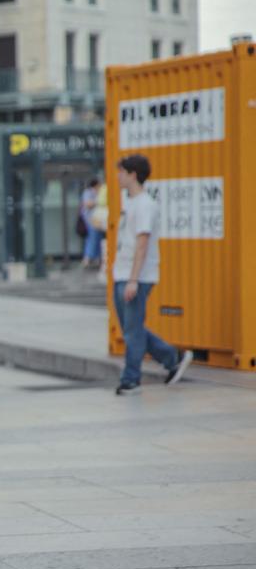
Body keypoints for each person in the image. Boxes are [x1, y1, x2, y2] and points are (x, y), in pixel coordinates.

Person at [113, 154, 192, 395]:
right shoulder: (130, 202)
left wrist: (134, 280)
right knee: (131, 327)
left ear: (133, 174)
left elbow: (142, 244)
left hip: (136, 276)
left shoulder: (145, 205)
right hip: (123, 273)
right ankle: (172, 358)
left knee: (132, 330)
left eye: (121, 172)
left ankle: (131, 379)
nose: (117, 176)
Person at [81, 178, 103, 268]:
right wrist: (99, 201)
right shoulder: (88, 192)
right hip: (90, 220)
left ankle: (95, 259)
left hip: (97, 220)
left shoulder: (97, 192)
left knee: (97, 239)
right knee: (92, 239)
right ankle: (87, 259)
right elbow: (87, 204)